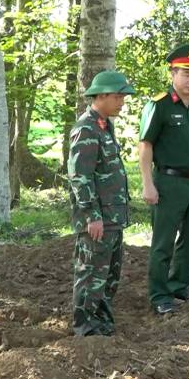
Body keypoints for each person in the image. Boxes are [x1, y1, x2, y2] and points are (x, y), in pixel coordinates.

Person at [138, 43, 189, 315]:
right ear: (173, 73)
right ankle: (159, 295)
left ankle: (179, 286)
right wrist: (147, 183)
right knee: (163, 241)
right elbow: (145, 146)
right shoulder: (159, 106)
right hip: (168, 183)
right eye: (186, 74)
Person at [67, 71, 136, 336]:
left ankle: (102, 324)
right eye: (118, 97)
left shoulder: (104, 126)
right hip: (98, 220)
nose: (122, 102)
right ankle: (85, 327)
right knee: (91, 274)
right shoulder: (86, 128)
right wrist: (92, 215)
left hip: (112, 218)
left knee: (108, 275)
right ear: (102, 96)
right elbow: (80, 176)